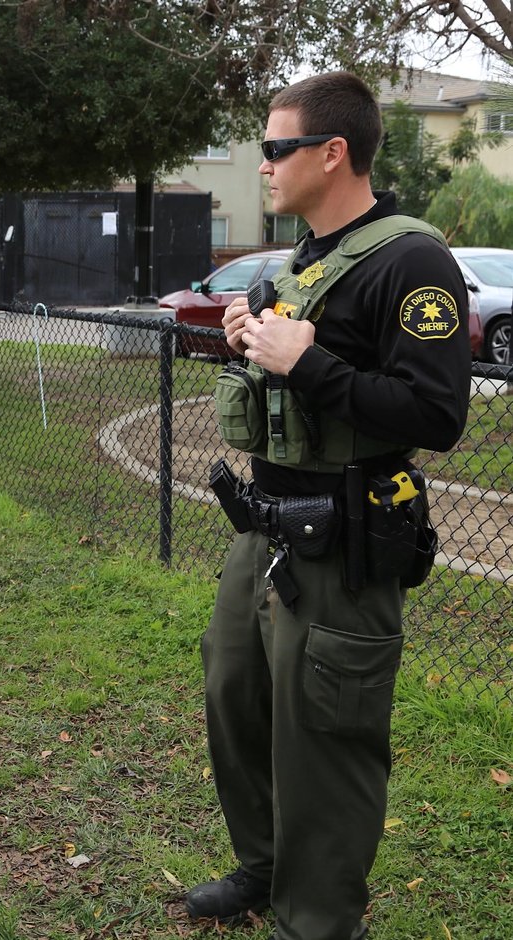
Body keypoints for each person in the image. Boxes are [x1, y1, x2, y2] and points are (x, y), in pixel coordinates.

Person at [188, 72, 470, 939]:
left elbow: (436, 414)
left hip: (344, 540)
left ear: (332, 152)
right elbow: (284, 379)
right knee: (236, 696)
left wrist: (308, 365)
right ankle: (266, 866)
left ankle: (318, 917)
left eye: (276, 149)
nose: (265, 166)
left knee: (327, 737)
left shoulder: (411, 261)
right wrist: (253, 338)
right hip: (265, 529)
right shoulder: (302, 259)